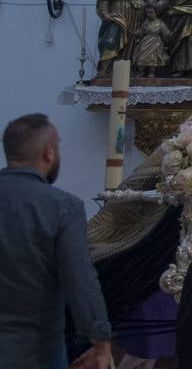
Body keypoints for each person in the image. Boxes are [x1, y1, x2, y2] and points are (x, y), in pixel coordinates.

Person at [0, 113, 112, 369]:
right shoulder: (62, 207)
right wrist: (101, 342)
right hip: (34, 352)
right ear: (49, 152)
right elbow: (80, 278)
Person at [96, 0, 143, 76]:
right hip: (116, 12)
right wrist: (105, 14)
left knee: (131, 40)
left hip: (133, 12)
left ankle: (127, 68)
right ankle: (105, 69)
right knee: (110, 39)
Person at [132, 5, 170, 76]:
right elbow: (141, 31)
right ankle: (140, 71)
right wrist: (136, 33)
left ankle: (152, 72)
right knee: (141, 57)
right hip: (145, 41)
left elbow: (165, 31)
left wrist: (168, 34)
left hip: (156, 42)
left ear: (156, 13)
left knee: (153, 58)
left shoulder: (160, 23)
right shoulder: (145, 23)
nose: (149, 15)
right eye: (147, 13)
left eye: (151, 12)